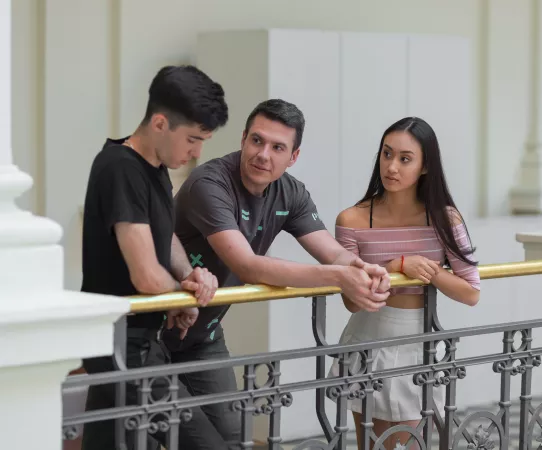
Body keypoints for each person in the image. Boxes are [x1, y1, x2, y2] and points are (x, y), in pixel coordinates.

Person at [166, 98, 393, 447]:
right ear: (243, 139)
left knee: (234, 438)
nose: (263, 154)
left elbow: (331, 252)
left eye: (277, 147)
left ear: (293, 157)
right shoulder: (209, 183)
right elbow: (248, 264)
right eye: (257, 140)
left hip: (203, 336)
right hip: (152, 332)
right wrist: (337, 277)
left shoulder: (291, 192)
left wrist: (360, 266)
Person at [80, 65, 228, 450]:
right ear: (160, 123)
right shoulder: (120, 168)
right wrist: (183, 292)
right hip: (123, 348)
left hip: (137, 341)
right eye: (193, 139)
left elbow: (164, 237)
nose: (197, 152)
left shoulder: (156, 166)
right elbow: (146, 275)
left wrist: (188, 274)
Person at [329, 117, 481, 450]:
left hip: (419, 342)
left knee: (414, 444)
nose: (392, 166)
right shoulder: (351, 220)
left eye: (405, 158)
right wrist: (396, 266)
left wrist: (429, 271)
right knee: (372, 446)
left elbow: (471, 292)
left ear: (426, 167)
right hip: (368, 339)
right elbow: (352, 301)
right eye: (386, 154)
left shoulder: (444, 218)